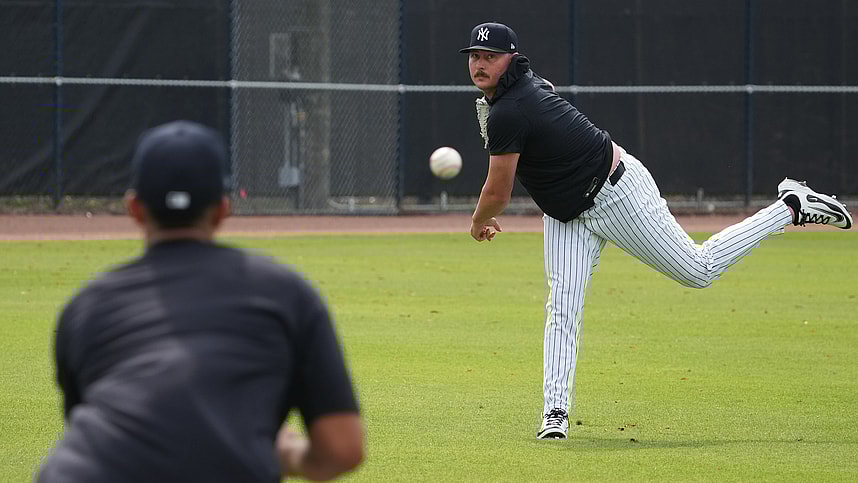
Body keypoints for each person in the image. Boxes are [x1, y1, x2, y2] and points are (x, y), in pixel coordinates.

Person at [460, 22, 853, 440]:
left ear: (510, 59)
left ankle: (790, 206)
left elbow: (497, 193)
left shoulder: (509, 109)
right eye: (474, 56)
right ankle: (555, 414)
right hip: (565, 213)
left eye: (491, 56)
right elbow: (546, 90)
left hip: (616, 193)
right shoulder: (520, 88)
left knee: (698, 270)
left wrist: (477, 221)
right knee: (562, 309)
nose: (480, 64)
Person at [37, 120, 365, 481]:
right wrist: (289, 452)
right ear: (223, 210)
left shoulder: (87, 307)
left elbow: (99, 426)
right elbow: (342, 448)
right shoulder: (284, 293)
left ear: (134, 209)